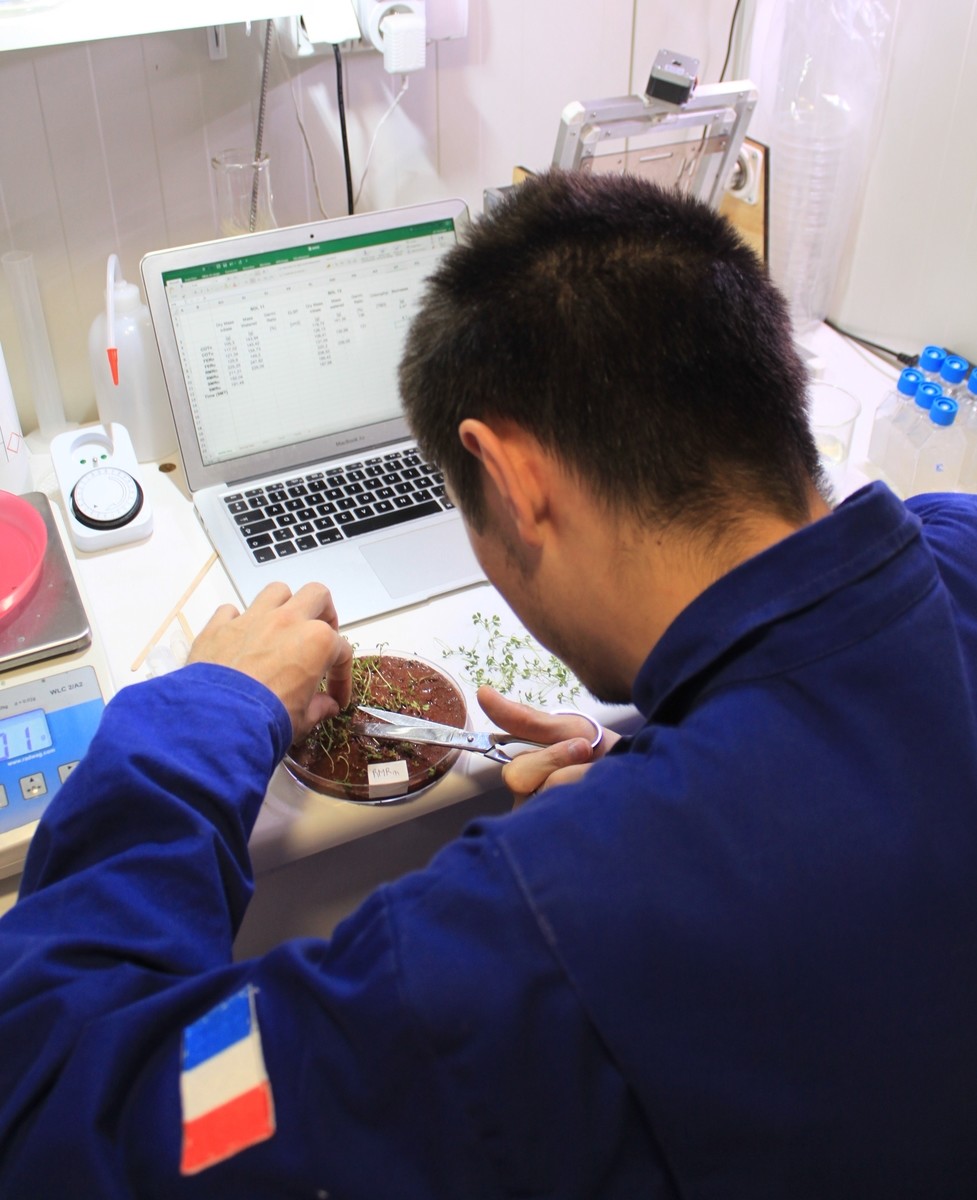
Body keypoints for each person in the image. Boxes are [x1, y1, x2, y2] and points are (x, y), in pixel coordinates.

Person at [1, 169, 976, 1198]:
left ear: (508, 480)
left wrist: (206, 712)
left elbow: (56, 1109)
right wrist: (668, 766)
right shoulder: (955, 541)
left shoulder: (504, 949)